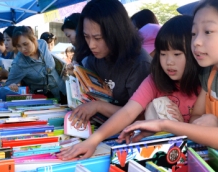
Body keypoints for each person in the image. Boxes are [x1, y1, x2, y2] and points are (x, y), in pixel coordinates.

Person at [58, 15, 201, 160]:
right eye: (163, 54)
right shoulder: (154, 80)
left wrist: (179, 126)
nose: (169, 62)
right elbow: (128, 112)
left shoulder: (205, 86)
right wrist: (93, 141)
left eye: (177, 54)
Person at [116, 0, 218, 150]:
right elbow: (195, 117)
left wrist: (165, 124)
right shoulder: (209, 74)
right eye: (194, 33)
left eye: (208, 31)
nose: (196, 41)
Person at [68, 0, 151, 129]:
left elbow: (139, 116)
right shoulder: (92, 56)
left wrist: (98, 107)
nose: (91, 45)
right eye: (86, 36)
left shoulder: (140, 64)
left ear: (117, 33)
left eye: (98, 38)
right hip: (97, 127)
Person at [0, 26, 66, 103]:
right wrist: (12, 88)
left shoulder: (43, 44)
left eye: (25, 44)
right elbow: (3, 92)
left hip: (64, 92)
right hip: (45, 103)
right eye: (18, 46)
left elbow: (52, 66)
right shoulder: (19, 63)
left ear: (33, 39)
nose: (23, 49)